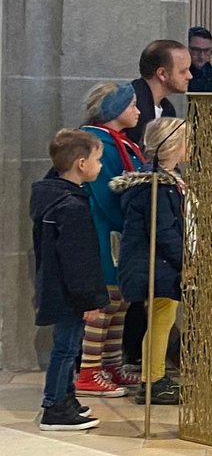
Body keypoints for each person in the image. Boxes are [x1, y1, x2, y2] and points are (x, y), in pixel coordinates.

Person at [33, 129, 109, 432]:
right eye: (97, 159)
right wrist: (89, 299)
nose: (100, 165)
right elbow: (79, 259)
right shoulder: (71, 206)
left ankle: (66, 398)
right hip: (68, 292)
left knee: (69, 346)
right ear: (80, 163)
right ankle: (54, 406)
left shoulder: (55, 195)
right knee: (65, 348)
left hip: (59, 288)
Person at [112, 117, 187, 406]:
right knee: (160, 322)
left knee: (161, 320)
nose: (190, 147)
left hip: (159, 266)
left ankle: (153, 375)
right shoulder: (156, 185)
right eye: (186, 141)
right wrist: (185, 262)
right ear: (173, 146)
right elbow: (163, 232)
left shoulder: (161, 181)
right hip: (156, 267)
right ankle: (153, 380)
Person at [77, 83, 142, 398]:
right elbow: (106, 195)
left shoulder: (121, 143)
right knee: (104, 299)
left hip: (121, 230)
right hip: (104, 228)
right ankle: (89, 369)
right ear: (115, 111)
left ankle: (112, 363)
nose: (138, 111)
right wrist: (130, 222)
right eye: (132, 106)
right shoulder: (96, 143)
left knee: (121, 299)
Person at [131, 38, 190, 149]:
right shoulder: (131, 105)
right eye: (183, 71)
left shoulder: (168, 109)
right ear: (162, 74)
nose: (190, 76)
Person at [185, 26, 212, 94]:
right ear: (187, 49)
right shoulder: (179, 76)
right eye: (196, 50)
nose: (201, 56)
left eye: (206, 50)